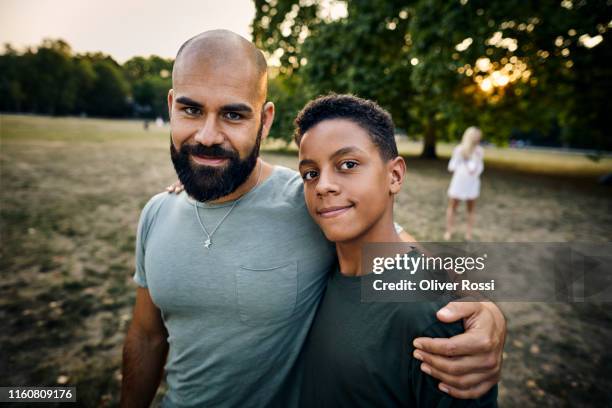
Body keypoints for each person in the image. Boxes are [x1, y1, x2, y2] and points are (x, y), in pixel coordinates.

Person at [121, 30, 504, 407]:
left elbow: (396, 253)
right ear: (171, 106)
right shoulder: (156, 213)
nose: (207, 136)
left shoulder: (306, 204)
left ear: (264, 120)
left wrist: (484, 309)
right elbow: (146, 335)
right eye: (191, 110)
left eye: (233, 114)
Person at [293, 94, 497, 407]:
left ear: (395, 175)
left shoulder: (432, 316)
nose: (323, 185)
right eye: (310, 173)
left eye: (348, 164)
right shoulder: (316, 268)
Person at [444, 127, 484, 241]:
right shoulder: (459, 149)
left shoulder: (479, 151)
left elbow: (481, 167)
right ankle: (449, 231)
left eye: (479, 137)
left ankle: (469, 233)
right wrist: (461, 161)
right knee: (452, 207)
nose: (478, 139)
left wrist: (475, 171)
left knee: (471, 209)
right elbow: (451, 167)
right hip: (459, 183)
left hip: (472, 184)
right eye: (476, 136)